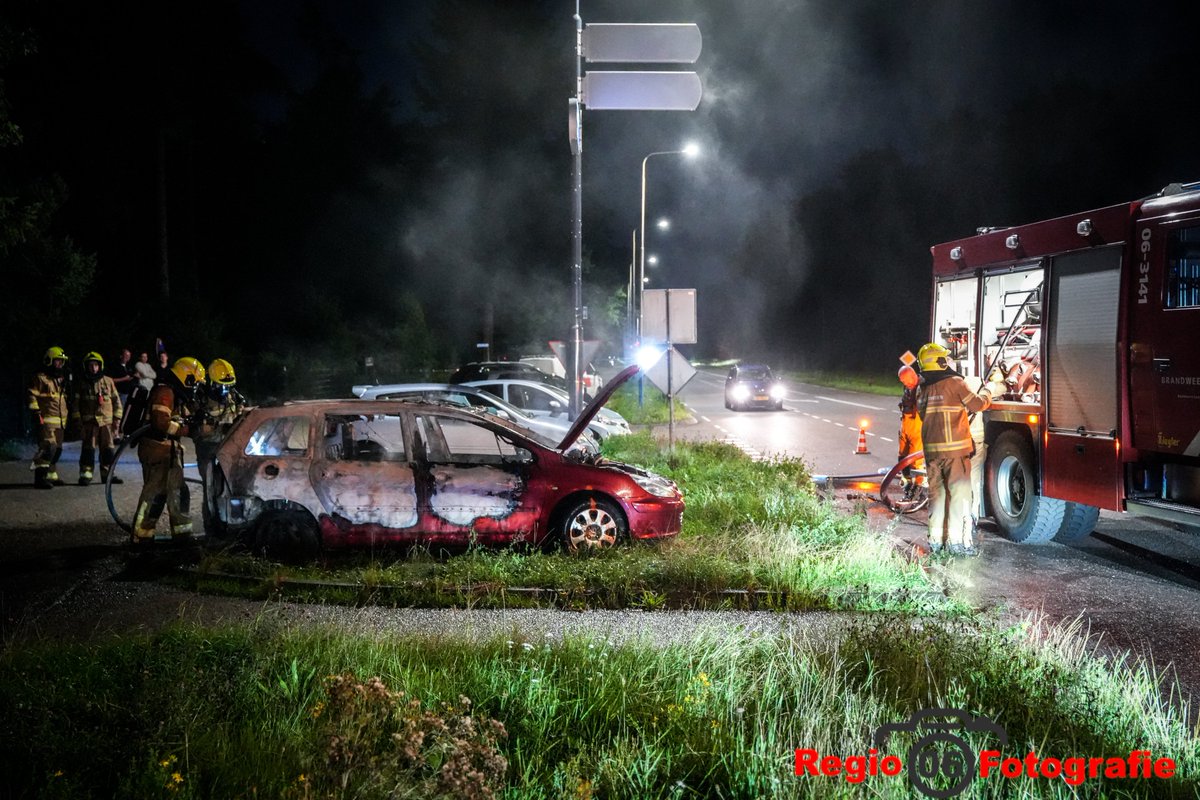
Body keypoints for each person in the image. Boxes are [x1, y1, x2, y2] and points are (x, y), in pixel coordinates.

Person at [915, 342, 1005, 557]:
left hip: (932, 453)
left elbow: (922, 415)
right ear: (940, 362)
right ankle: (956, 543)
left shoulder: (922, 388)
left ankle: (936, 541)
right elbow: (978, 405)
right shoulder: (955, 383)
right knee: (959, 496)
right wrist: (988, 392)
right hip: (955, 452)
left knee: (937, 496)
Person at [132, 357, 206, 542]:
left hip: (170, 450)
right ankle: (142, 536)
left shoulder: (177, 393)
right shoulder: (165, 391)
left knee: (179, 492)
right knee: (155, 495)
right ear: (186, 378)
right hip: (156, 449)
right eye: (194, 382)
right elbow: (160, 422)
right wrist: (188, 430)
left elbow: (184, 415)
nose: (195, 386)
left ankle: (182, 535)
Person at [71, 351, 125, 485]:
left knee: (108, 450)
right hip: (89, 423)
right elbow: (75, 405)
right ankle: (86, 474)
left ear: (100, 366)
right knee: (88, 450)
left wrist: (117, 420)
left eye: (96, 365)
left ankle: (107, 475)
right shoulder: (82, 383)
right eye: (91, 365)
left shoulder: (108, 381)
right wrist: (78, 422)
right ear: (86, 367)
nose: (93, 368)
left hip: (106, 423)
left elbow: (116, 401)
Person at [27, 346, 72, 489]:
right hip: (45, 420)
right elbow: (31, 395)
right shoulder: (41, 378)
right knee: (48, 447)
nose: (59, 364)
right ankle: (39, 479)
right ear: (49, 361)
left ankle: (51, 475)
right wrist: (36, 413)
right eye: (57, 361)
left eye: (61, 362)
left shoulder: (61, 380)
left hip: (60, 422)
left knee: (57, 449)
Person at [896, 364, 924, 484]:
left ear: (913, 376)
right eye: (902, 381)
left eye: (906, 380)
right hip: (906, 427)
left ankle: (917, 485)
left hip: (917, 428)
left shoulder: (922, 387)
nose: (905, 383)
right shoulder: (908, 388)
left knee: (915, 460)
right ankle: (906, 481)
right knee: (903, 457)